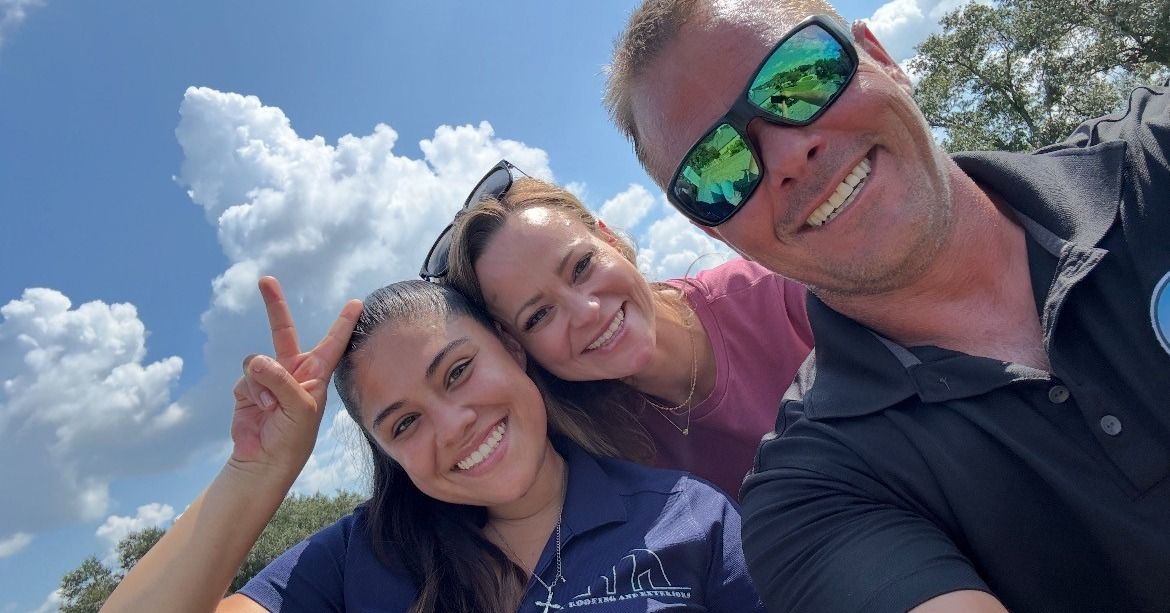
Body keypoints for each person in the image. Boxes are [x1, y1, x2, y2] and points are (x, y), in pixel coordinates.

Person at [604, 1, 1170, 611]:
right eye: (719, 168)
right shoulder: (815, 496)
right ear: (715, 232)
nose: (790, 157)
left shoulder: (1154, 158)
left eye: (798, 76)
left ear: (879, 56)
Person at [103, 277, 764, 612]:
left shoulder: (685, 515)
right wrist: (258, 472)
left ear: (510, 349)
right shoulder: (357, 560)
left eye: (457, 371)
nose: (453, 426)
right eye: (404, 423)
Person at [423, 162, 813, 498]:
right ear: (517, 347)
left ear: (609, 238)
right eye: (538, 316)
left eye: (581, 267)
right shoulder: (589, 447)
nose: (587, 311)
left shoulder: (782, 294)